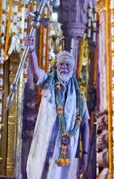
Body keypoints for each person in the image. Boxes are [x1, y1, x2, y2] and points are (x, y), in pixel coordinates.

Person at [25, 37, 90, 179]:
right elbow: (36, 72)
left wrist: (85, 153)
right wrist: (31, 50)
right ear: (56, 67)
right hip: (45, 145)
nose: (64, 68)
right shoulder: (48, 82)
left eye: (68, 65)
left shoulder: (80, 96)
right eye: (61, 64)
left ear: (73, 70)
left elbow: (85, 124)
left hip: (64, 150)